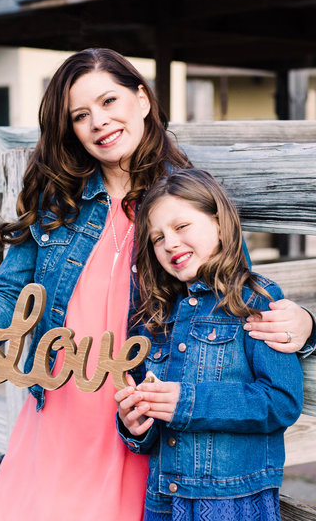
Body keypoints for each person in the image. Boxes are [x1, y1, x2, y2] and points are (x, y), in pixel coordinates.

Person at [0, 49, 313, 521]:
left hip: (137, 412)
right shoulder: (55, 201)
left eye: (109, 100)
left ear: (141, 99)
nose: (99, 121)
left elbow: (233, 294)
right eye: (81, 115)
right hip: (60, 404)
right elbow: (14, 294)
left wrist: (305, 322)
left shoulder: (186, 202)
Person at [115, 169, 304, 521]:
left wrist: (189, 403)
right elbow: (152, 418)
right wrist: (134, 424)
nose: (169, 243)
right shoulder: (155, 315)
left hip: (231, 501)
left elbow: (282, 401)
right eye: (157, 238)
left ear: (219, 223)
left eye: (181, 227)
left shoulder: (254, 300)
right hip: (163, 500)